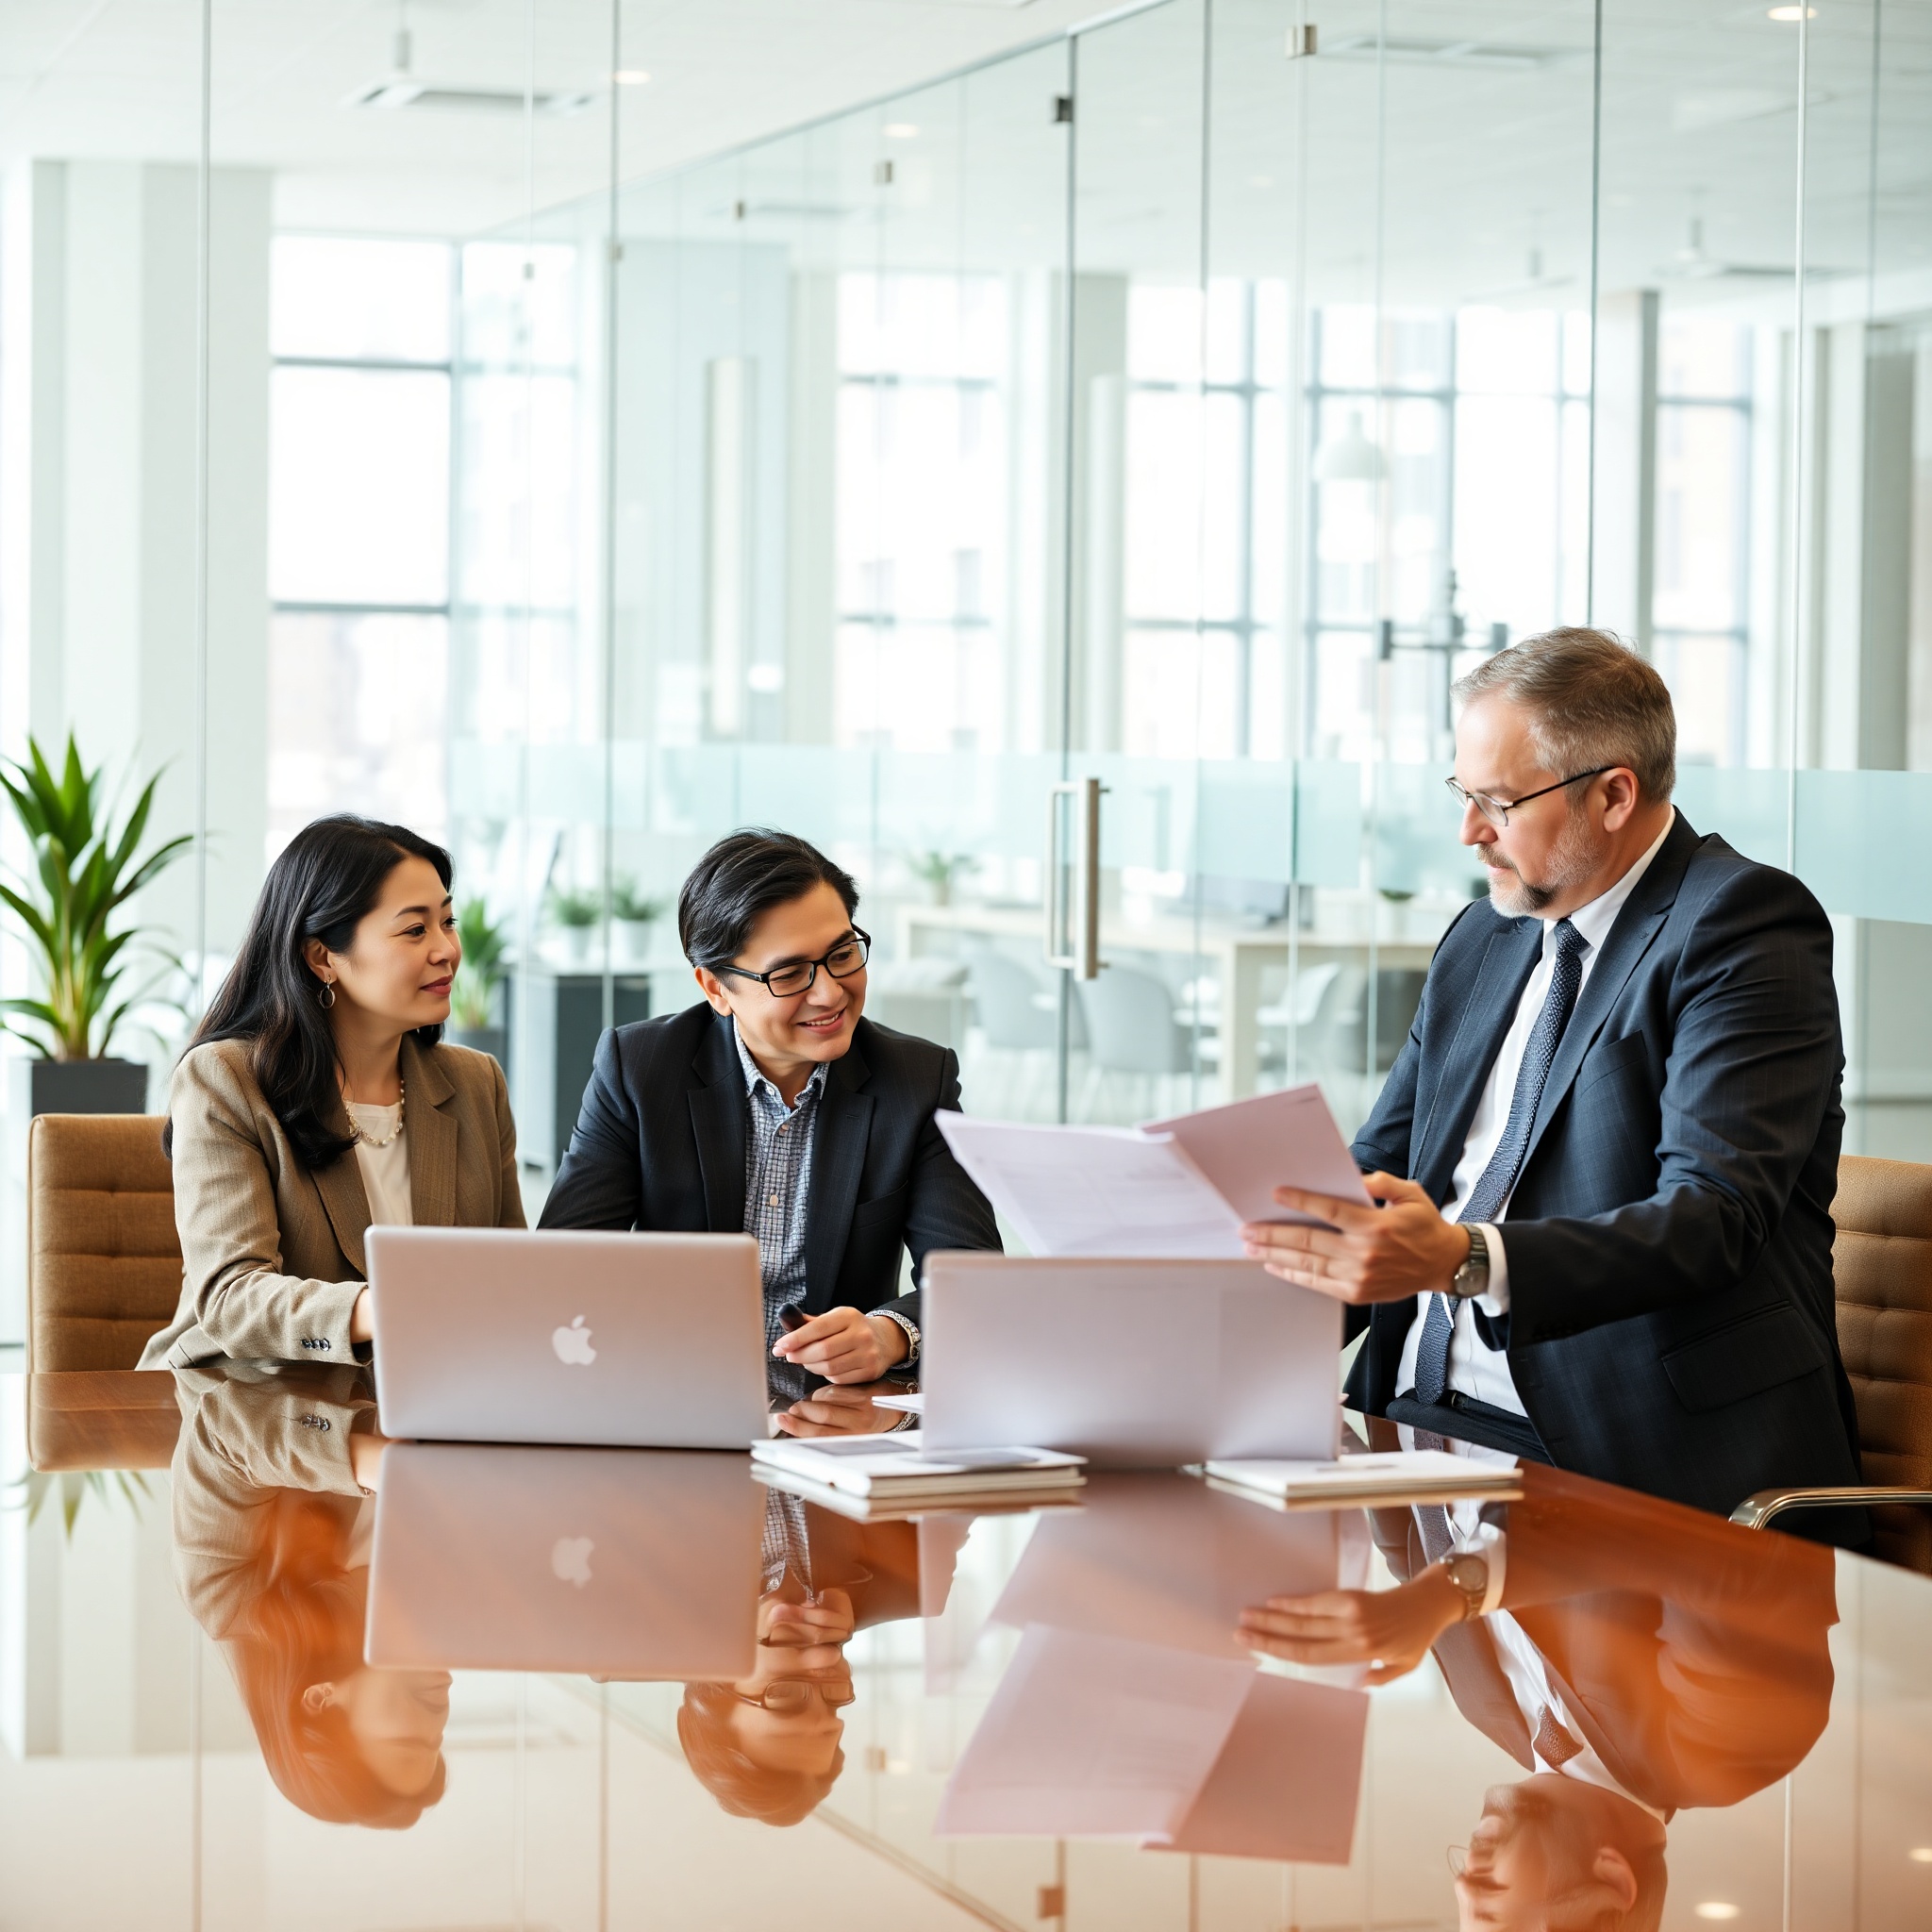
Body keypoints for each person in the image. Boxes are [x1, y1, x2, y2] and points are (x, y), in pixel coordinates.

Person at [1240, 628, 1864, 1524]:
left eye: (1498, 801)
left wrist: (1463, 1258)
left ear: (1615, 795)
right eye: (1464, 793)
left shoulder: (1740, 926)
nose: (1469, 832)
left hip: (1621, 1453)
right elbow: (1381, 1175)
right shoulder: (1482, 938)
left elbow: (1713, 1219)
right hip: (1411, 1429)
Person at [1239, 1451, 1838, 1930]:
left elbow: (1406, 1540)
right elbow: (1721, 1546)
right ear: (1612, 1881)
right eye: (1494, 1902)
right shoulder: (1724, 1749)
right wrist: (1455, 1591)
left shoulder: (1483, 1708)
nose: (1460, 1881)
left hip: (1420, 1358)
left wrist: (1322, 1448)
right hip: (1581, 1349)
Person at [540, 828, 1001, 1384]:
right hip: (674, 1399)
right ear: (715, 988)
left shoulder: (916, 1080)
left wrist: (889, 1334)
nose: (829, 992)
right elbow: (566, 1265)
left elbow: (971, 1278)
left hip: (835, 1421)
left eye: (843, 954)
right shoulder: (639, 1068)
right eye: (789, 974)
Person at [142, 815, 524, 1369]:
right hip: (250, 1409)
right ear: (323, 957)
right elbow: (232, 1300)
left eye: (448, 921)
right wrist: (397, 1308)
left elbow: (513, 1273)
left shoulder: (475, 1082)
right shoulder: (225, 1081)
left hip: (433, 1397)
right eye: (415, 930)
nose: (447, 950)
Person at [170, 1360, 450, 1828]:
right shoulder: (430, 1604)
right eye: (438, 1739)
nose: (438, 1718)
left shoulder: (224, 1595)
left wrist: (373, 1463)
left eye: (409, 1740)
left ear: (322, 1700)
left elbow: (223, 1430)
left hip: (282, 1316)